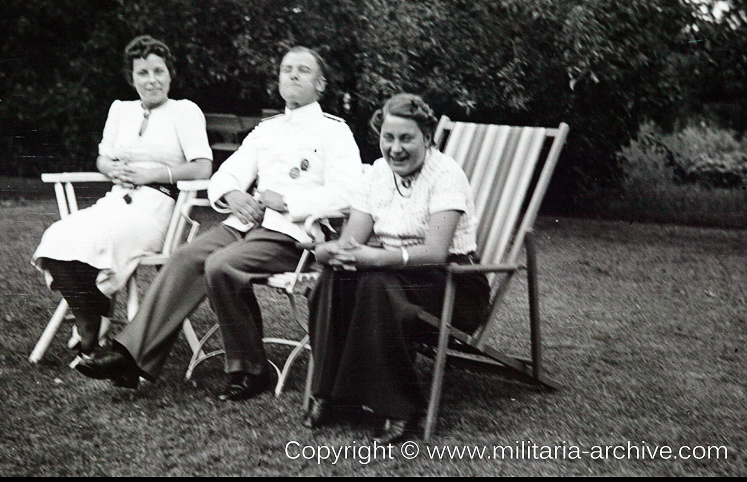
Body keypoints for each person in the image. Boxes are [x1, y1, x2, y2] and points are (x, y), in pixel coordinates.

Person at [75, 46, 363, 395]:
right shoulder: (267, 130)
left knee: (221, 266)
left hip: (294, 235)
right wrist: (234, 195)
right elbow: (224, 175)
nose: (292, 75)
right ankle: (129, 356)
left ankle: (251, 370)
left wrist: (289, 201)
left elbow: (349, 193)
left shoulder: (334, 131)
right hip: (246, 225)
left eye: (303, 70)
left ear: (321, 85)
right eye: (287, 69)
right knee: (185, 257)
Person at [303, 93, 490, 445]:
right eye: (389, 138)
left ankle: (400, 408)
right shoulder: (375, 174)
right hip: (395, 276)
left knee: (375, 284)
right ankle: (327, 393)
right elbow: (353, 241)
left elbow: (435, 252)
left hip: (454, 284)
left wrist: (374, 258)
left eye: (407, 138)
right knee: (333, 278)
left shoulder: (446, 174)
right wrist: (330, 251)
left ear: (427, 137)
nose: (396, 148)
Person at [32, 35, 213, 361]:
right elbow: (103, 158)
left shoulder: (185, 112)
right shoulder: (120, 110)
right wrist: (110, 168)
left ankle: (92, 319)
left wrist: (151, 175)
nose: (152, 80)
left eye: (159, 71)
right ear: (131, 78)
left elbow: (202, 167)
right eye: (143, 73)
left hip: (157, 207)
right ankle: (91, 315)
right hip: (117, 200)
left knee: (100, 238)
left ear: (170, 73)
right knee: (57, 235)